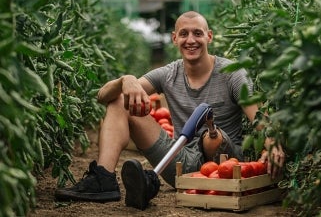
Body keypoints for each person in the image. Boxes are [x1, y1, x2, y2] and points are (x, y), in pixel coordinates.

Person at [55, 11, 285, 209]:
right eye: (184, 34)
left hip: (222, 167)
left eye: (197, 33)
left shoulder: (232, 74)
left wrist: (272, 144)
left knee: (210, 134)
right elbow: (102, 96)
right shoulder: (168, 74)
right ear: (174, 39)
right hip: (178, 161)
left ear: (209, 36)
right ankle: (103, 180)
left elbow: (258, 117)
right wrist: (126, 80)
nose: (191, 40)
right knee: (118, 101)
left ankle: (162, 179)